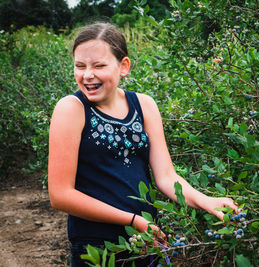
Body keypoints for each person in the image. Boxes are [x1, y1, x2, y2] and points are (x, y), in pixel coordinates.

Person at [48, 22, 238, 267]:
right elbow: (60, 195)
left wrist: (206, 201)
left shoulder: (144, 105)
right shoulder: (72, 109)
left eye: (99, 65)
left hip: (146, 237)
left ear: (123, 66)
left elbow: (166, 177)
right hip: (96, 245)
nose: (87, 75)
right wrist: (132, 220)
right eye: (79, 66)